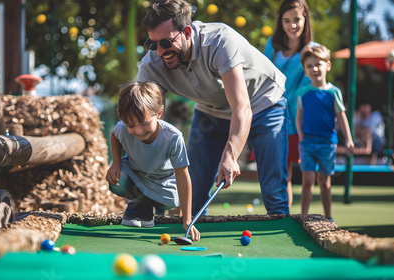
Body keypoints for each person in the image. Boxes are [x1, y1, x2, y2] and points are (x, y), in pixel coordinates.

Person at [138, 0, 289, 216]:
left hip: (264, 102)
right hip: (212, 110)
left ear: (187, 32)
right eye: (152, 44)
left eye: (166, 42)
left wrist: (231, 154)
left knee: (274, 192)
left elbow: (242, 107)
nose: (160, 51)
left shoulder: (220, 41)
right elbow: (146, 118)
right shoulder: (151, 65)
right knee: (194, 195)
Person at [105, 81, 200, 241]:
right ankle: (139, 204)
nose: (139, 131)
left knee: (172, 201)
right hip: (135, 174)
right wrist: (116, 162)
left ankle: (149, 206)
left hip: (162, 181)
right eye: (131, 125)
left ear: (159, 113)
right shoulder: (123, 128)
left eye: (144, 123)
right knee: (117, 181)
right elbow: (115, 134)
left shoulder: (173, 137)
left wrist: (187, 220)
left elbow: (183, 176)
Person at [263, 0, 316, 208]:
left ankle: (297, 218)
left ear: (306, 20)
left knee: (301, 175)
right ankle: (280, 217)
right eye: (286, 20)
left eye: (297, 19)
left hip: (298, 120)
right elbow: (263, 77)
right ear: (280, 22)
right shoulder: (271, 46)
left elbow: (312, 88)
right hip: (273, 118)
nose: (292, 25)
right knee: (277, 173)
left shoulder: (313, 50)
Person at [295, 44, 354, 222]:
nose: (314, 69)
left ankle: (328, 217)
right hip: (307, 143)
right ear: (305, 71)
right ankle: (303, 217)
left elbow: (341, 117)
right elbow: (299, 116)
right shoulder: (303, 92)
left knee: (324, 181)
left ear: (327, 65)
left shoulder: (334, 92)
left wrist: (349, 140)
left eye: (318, 64)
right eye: (309, 66)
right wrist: (301, 136)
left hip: (327, 143)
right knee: (307, 180)